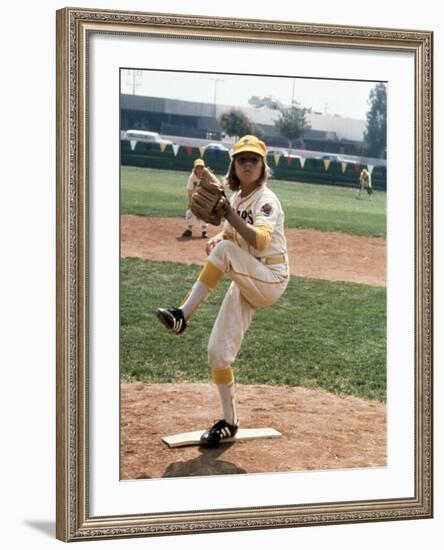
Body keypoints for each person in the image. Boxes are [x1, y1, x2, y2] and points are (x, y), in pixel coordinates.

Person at [157, 135, 289, 447]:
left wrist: (226, 225)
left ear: (262, 167)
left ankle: (181, 316)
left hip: (270, 277)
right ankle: (230, 422)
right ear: (234, 165)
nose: (247, 164)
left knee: (227, 251)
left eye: (253, 160)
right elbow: (231, 234)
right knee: (217, 353)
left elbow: (258, 241)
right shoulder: (239, 199)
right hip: (249, 278)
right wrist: (219, 237)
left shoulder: (266, 199)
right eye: (241, 159)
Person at [182, 158, 208, 238]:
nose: (200, 169)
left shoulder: (207, 176)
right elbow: (190, 190)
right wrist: (190, 201)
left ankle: (204, 231)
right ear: (195, 168)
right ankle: (189, 230)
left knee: (204, 213)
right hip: (194, 197)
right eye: (198, 167)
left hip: (204, 197)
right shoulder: (192, 177)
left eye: (201, 167)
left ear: (204, 168)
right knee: (190, 212)